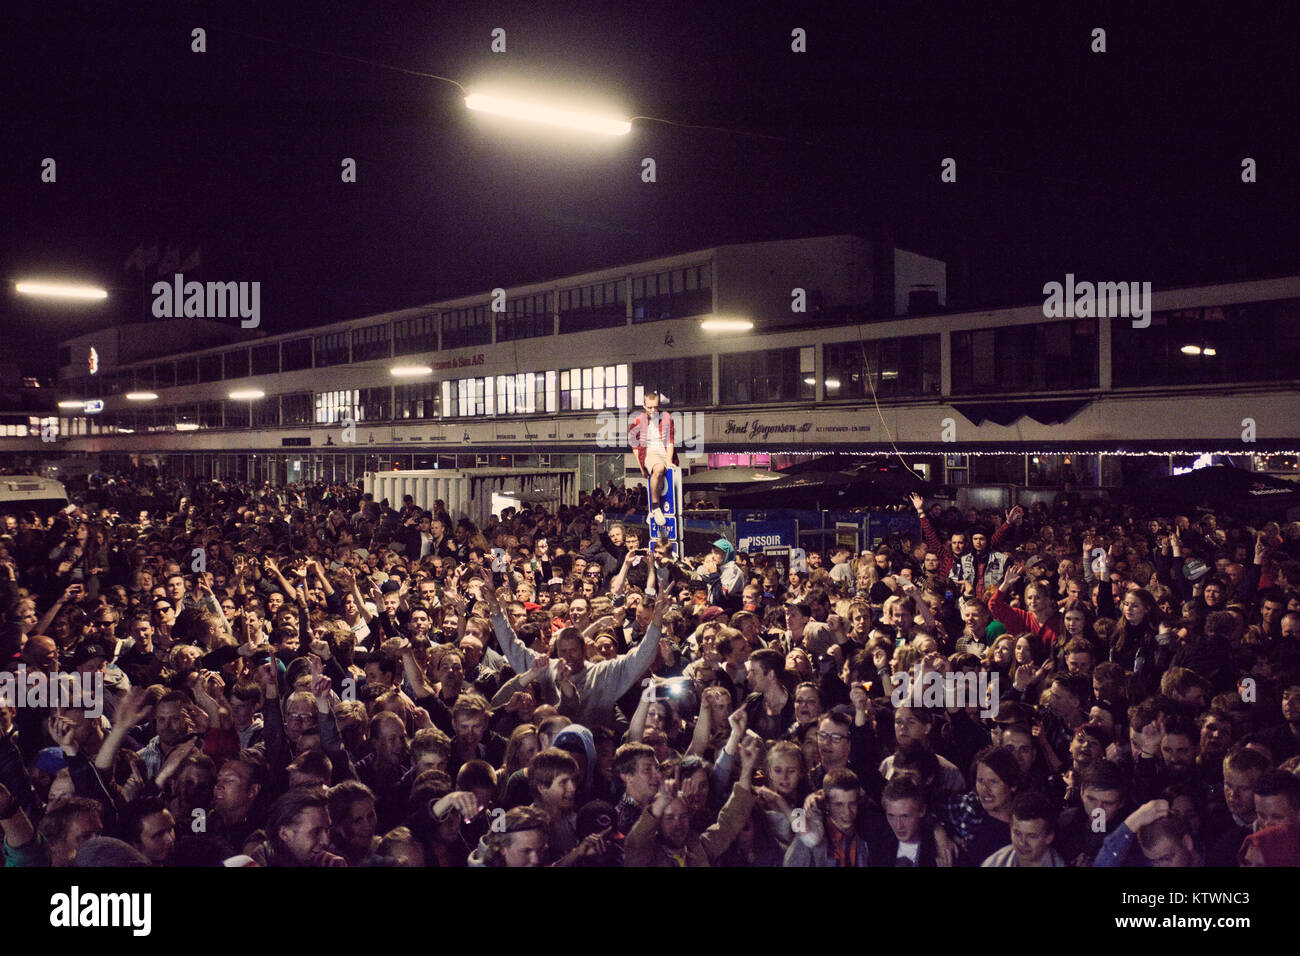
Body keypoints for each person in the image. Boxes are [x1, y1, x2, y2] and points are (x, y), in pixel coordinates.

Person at [627, 389, 676, 527]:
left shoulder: (666, 417)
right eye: (650, 407)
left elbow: (670, 441)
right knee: (659, 469)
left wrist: (669, 460)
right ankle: (655, 506)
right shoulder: (637, 421)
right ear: (644, 406)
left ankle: (653, 509)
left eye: (656, 407)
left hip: (664, 451)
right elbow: (635, 447)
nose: (653, 410)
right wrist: (641, 467)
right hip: (649, 452)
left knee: (661, 478)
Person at [981, 792, 1066, 867]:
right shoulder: (994, 862)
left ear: (1049, 837)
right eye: (1017, 833)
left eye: (1032, 836)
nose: (1022, 843)